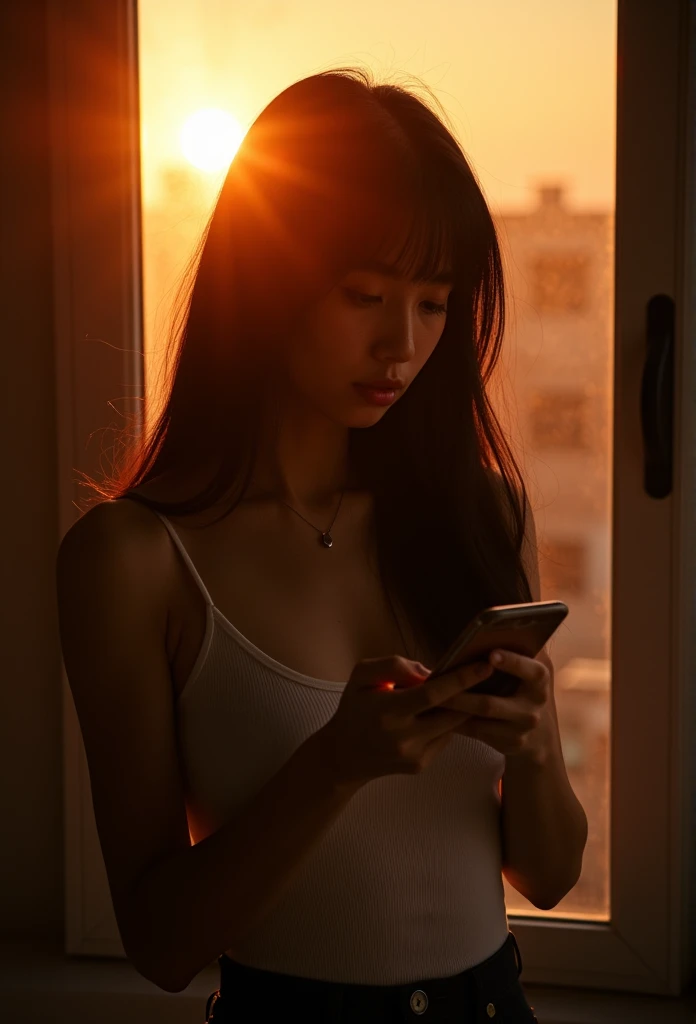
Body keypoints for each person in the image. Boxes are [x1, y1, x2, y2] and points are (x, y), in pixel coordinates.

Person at [56, 66, 587, 1023]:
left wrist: (540, 748)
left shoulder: (481, 516)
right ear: (265, 278)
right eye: (363, 294)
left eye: (433, 301)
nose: (404, 346)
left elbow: (550, 877)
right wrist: (331, 765)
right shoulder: (134, 560)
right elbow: (163, 945)